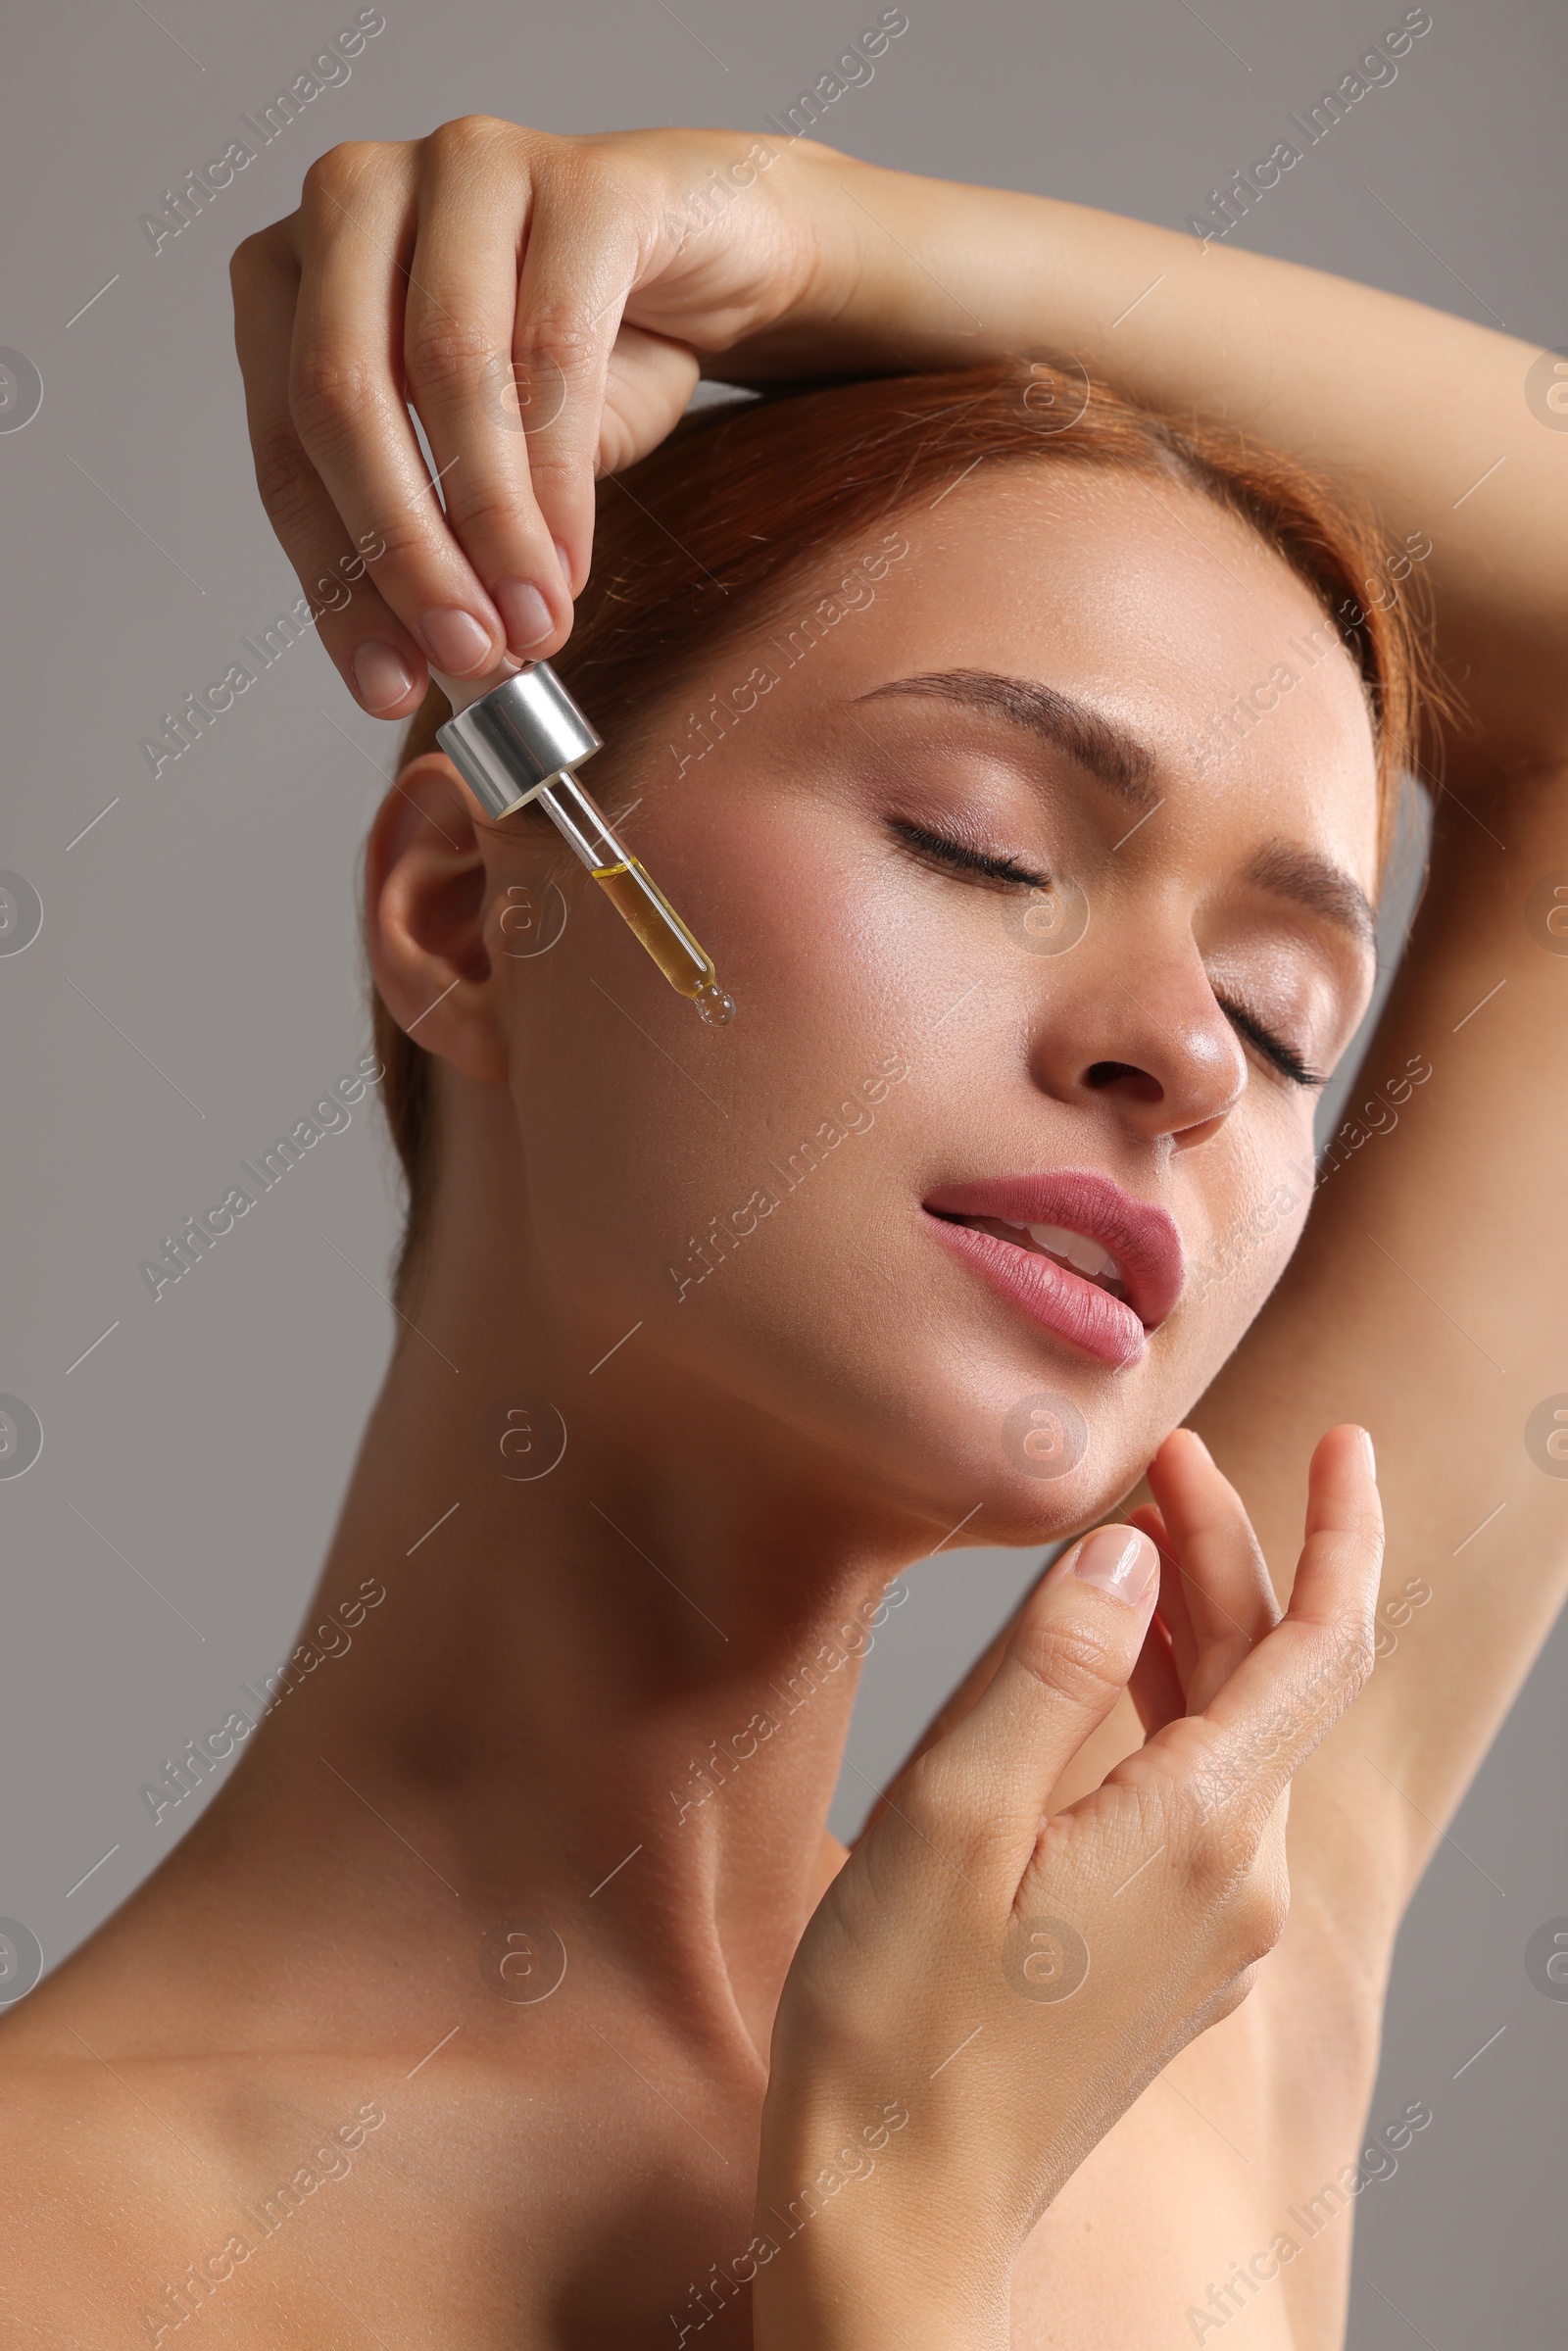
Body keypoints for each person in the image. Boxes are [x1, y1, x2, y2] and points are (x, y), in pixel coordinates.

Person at [2, 122, 1561, 2351]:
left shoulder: (1187, 1979)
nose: (1179, 1059)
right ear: (469, 909)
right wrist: (898, 2254)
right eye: (976, 842)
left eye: (1278, 1012)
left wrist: (819, 238)